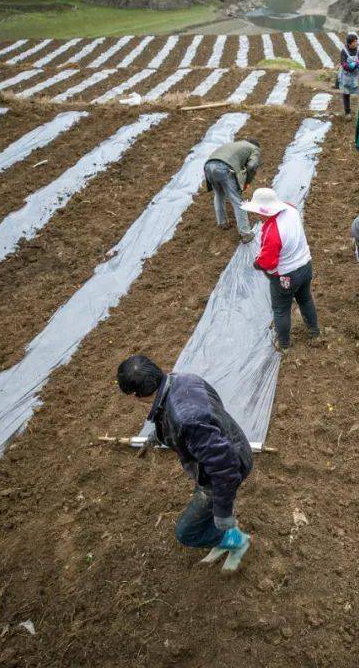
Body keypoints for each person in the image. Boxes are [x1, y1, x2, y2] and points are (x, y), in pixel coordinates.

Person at [116, 356, 253, 571]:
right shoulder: (184, 379)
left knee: (187, 532)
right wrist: (156, 436)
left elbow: (225, 470)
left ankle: (236, 541)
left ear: (135, 395)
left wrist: (223, 513)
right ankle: (223, 537)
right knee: (210, 511)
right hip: (230, 444)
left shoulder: (185, 420)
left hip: (227, 466)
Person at [241, 187, 320, 352]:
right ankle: (314, 332)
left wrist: (257, 264)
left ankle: (283, 345)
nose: (257, 215)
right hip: (305, 266)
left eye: (258, 211)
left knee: (281, 309)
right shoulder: (290, 208)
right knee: (305, 299)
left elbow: (268, 263)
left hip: (286, 277)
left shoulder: (273, 232)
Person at [204, 138, 261, 244]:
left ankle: (222, 223)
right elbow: (252, 166)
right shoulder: (254, 149)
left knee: (219, 194)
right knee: (237, 200)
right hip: (223, 168)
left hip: (208, 166)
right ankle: (245, 233)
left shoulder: (235, 145)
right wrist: (247, 182)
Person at [337, 32, 359, 119]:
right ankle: (347, 113)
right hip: (346, 75)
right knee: (346, 93)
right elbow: (343, 64)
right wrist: (350, 66)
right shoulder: (344, 51)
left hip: (357, 74)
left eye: (356, 41)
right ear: (349, 44)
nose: (356, 43)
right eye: (354, 42)